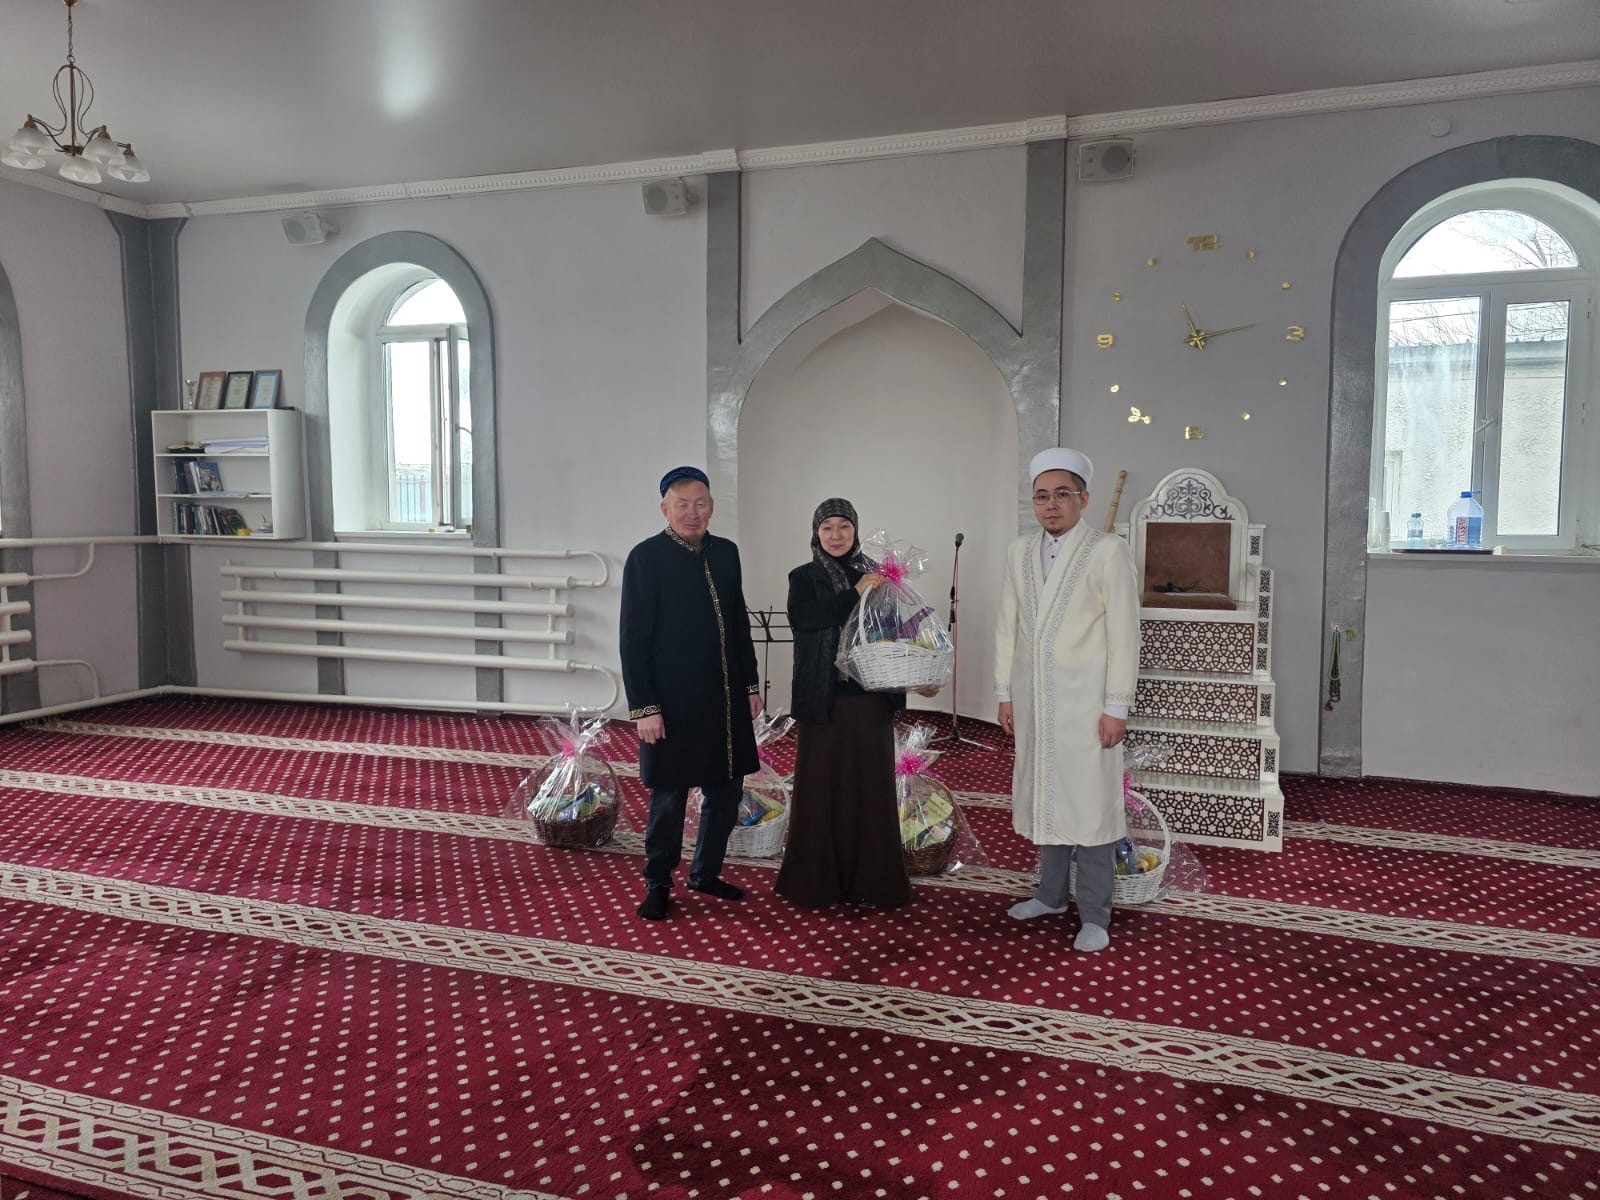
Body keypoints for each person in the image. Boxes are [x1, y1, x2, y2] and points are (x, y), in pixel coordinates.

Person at [994, 447, 1140, 952]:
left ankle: (1096, 914)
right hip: (1035, 701)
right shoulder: (1018, 551)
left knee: (1092, 806)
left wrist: (1116, 706)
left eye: (1061, 494)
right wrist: (1005, 694)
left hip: (1089, 705)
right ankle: (1051, 895)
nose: (1051, 504)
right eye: (1041, 496)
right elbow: (1008, 626)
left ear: (1084, 498)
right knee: (1048, 797)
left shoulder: (1108, 551)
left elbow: (1125, 633)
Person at [620, 465, 763, 921]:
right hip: (671, 704)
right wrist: (645, 708)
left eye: (699, 503)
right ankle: (658, 882)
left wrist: (750, 685)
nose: (692, 512)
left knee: (726, 793)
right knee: (669, 799)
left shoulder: (727, 553)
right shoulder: (646, 558)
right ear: (665, 509)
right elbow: (633, 641)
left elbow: (738, 624)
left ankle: (705, 872)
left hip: (725, 700)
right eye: (682, 504)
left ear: (712, 507)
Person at [774, 499, 916, 910]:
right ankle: (815, 882)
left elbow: (890, 635)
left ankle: (873, 882)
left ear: (855, 531)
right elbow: (806, 619)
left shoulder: (878, 576)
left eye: (844, 527)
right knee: (819, 789)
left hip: (869, 700)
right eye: (827, 528)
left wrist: (909, 681)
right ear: (816, 533)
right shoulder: (803, 577)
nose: (835, 535)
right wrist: (854, 593)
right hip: (822, 699)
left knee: (870, 790)